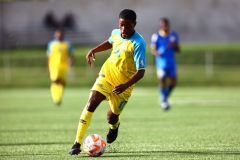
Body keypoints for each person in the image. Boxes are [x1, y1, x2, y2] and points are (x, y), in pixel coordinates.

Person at [69, 9, 146, 155]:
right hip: (107, 76)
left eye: (127, 26)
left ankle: (114, 126)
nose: (123, 29)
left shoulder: (138, 43)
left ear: (134, 24)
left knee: (112, 116)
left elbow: (141, 72)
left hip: (123, 86)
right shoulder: (116, 33)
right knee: (91, 102)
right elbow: (110, 42)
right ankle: (77, 143)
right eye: (121, 25)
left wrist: (125, 86)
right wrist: (94, 50)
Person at [150, 18, 180, 111]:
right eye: (162, 25)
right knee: (162, 80)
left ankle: (164, 97)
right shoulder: (156, 36)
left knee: (173, 82)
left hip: (171, 62)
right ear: (160, 26)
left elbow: (178, 50)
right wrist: (157, 53)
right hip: (161, 63)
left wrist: (175, 45)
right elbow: (153, 50)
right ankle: (163, 100)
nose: (164, 26)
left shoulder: (173, 35)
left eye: (166, 24)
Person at [47, 29, 73, 105]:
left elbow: (70, 55)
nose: (59, 35)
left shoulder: (67, 44)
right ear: (55, 35)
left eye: (60, 34)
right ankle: (56, 98)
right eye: (57, 34)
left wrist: (70, 62)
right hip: (54, 66)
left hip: (64, 66)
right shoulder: (51, 44)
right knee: (55, 81)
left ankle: (59, 97)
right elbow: (48, 56)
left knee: (62, 82)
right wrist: (48, 67)